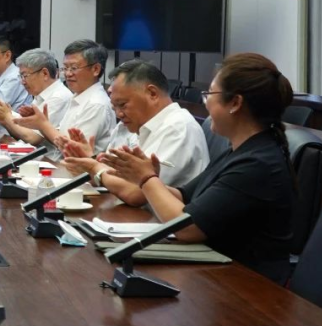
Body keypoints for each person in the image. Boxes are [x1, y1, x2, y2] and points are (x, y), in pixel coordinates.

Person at [103, 53, 296, 284]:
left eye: (209, 95)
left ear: (235, 103)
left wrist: (146, 179)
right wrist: (145, 178)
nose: (205, 103)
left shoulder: (257, 164)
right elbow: (183, 194)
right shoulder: (238, 151)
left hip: (245, 284)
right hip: (215, 269)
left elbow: (187, 228)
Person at [61, 60, 209, 205]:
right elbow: (115, 177)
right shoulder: (136, 124)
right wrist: (90, 161)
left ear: (152, 93)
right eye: (115, 107)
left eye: (123, 105)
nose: (119, 114)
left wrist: (95, 168)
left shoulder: (177, 128)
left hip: (157, 219)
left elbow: (136, 191)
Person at [0, 39, 115, 155]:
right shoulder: (77, 97)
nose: (68, 74)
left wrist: (41, 124)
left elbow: (74, 151)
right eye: (65, 68)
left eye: (73, 68)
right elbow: (60, 135)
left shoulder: (95, 104)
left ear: (95, 69)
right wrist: (33, 121)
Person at [9, 48, 74, 128]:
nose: (23, 82)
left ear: (45, 73)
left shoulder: (59, 97)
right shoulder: (40, 94)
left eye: (25, 76)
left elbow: (34, 134)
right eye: (21, 76)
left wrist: (7, 116)